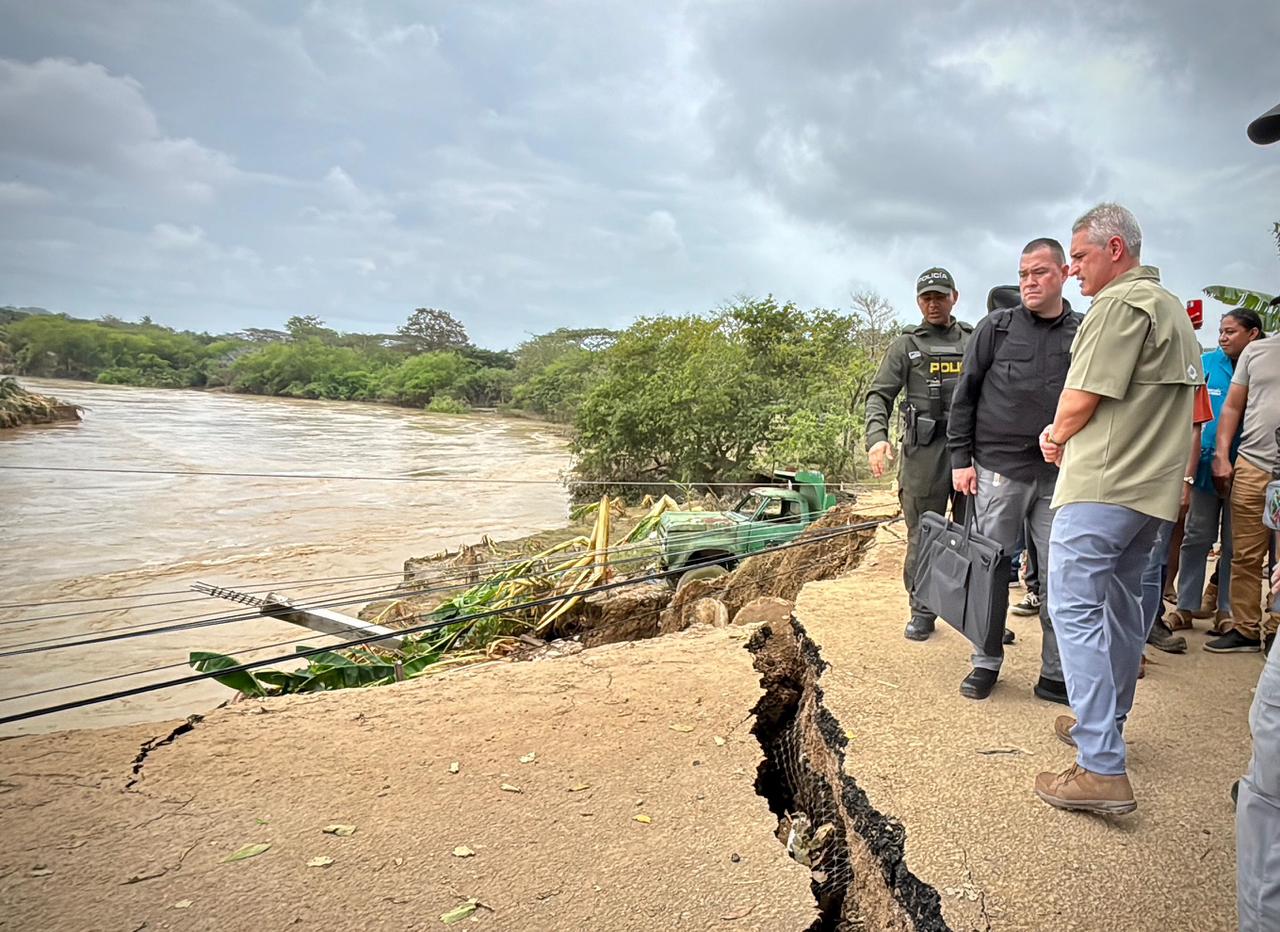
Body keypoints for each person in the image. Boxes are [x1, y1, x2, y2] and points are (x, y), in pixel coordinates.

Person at [1033, 203, 1202, 815]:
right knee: (1127, 609)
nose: (1073, 268)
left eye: (1078, 256)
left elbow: (1080, 399)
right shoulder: (1174, 313)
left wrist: (1053, 436)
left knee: (1073, 606)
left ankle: (1101, 763)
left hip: (1103, 485)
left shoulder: (1117, 306)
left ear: (1114, 250)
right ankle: (1104, 723)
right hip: (1151, 495)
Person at [946, 239, 1081, 702]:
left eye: (1040, 272)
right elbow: (964, 395)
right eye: (1023, 274)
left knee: (1061, 577)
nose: (1029, 282)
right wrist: (960, 461)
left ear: (1064, 273)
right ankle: (985, 661)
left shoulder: (1082, 332)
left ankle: (1056, 673)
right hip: (997, 470)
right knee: (990, 570)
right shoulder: (996, 328)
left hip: (1058, 475)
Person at [865, 268, 973, 641]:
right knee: (924, 534)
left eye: (940, 296)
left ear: (954, 298)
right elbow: (879, 394)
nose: (933, 303)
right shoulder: (906, 346)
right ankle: (922, 609)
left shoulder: (974, 340)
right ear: (917, 301)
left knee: (974, 535)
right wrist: (876, 438)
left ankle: (975, 613)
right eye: (926, 297)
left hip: (969, 451)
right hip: (923, 453)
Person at [1166, 310, 1266, 634]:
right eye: (1221, 332)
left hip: (1249, 466)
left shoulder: (1263, 365)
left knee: (1235, 544)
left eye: (1231, 332)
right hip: (1207, 465)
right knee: (1196, 535)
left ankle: (1226, 610)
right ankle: (1186, 606)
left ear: (1253, 334)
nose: (1223, 338)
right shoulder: (1207, 366)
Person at [1207, 329, 1280, 654]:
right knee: (1245, 554)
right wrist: (1222, 455)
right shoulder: (1257, 351)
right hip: (1253, 464)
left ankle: (1276, 630)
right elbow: (1232, 407)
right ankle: (1246, 628)